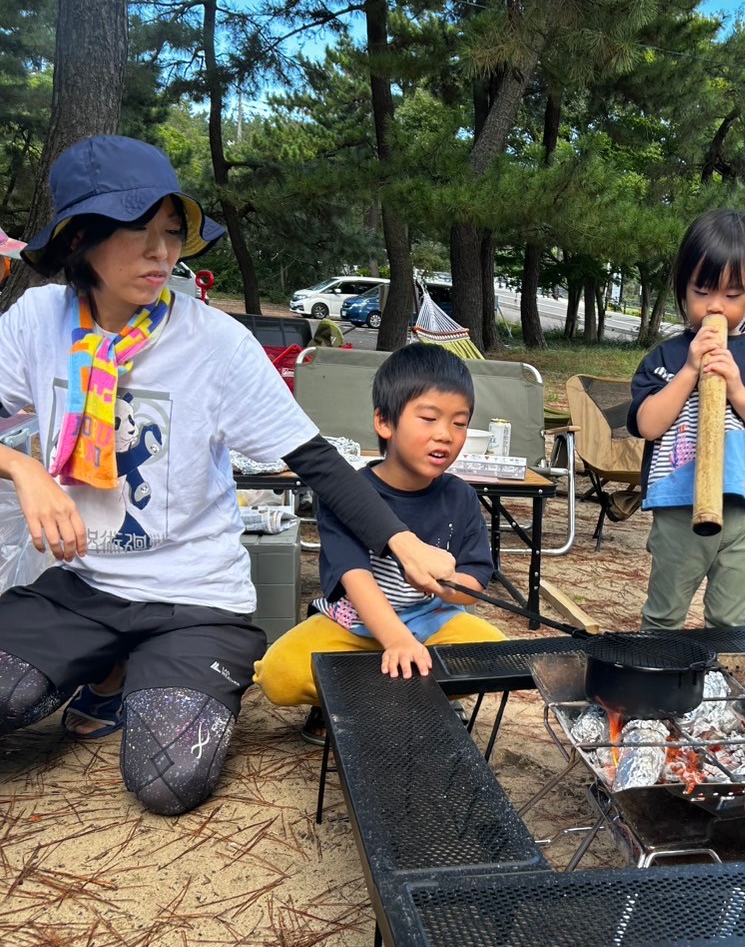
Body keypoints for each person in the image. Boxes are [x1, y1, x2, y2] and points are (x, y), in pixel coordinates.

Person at [0, 135, 458, 815]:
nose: (163, 254)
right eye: (139, 233)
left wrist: (401, 542)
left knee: (166, 781)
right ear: (78, 239)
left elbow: (315, 462)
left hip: (196, 599)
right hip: (85, 584)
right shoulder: (39, 320)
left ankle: (142, 677)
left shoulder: (213, 343)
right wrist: (19, 465)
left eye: (172, 232)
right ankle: (108, 662)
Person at [255, 344, 504, 739]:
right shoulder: (348, 493)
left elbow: (474, 580)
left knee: (496, 657)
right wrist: (397, 641)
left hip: (429, 619)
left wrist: (448, 588)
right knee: (278, 673)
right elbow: (355, 578)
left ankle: (403, 689)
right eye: (428, 418)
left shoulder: (462, 497)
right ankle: (351, 695)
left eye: (459, 423)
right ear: (384, 422)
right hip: (353, 625)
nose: (445, 435)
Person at [627, 209, 745, 631]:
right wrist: (688, 372)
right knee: (664, 615)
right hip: (678, 508)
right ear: (682, 287)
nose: (715, 306)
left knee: (728, 619)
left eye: (732, 295)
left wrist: (738, 391)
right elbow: (647, 425)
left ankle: (721, 693)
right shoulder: (664, 359)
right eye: (702, 291)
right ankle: (655, 691)